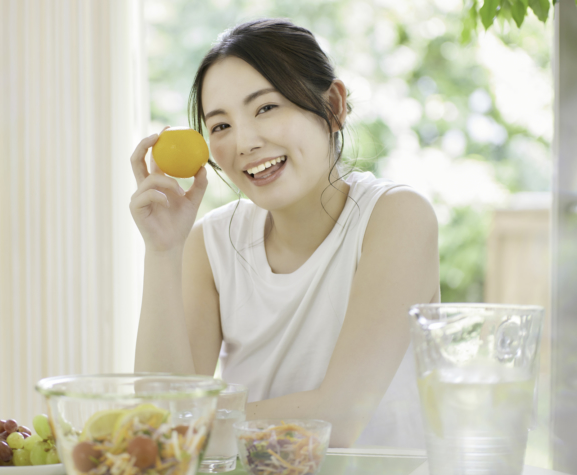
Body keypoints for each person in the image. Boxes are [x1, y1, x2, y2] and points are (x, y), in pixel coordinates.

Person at [129, 18, 440, 448]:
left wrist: (193, 417)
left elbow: (340, 416)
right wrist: (163, 251)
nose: (244, 142)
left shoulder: (397, 217)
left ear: (333, 106)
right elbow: (157, 424)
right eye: (220, 126)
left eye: (266, 108)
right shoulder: (212, 243)